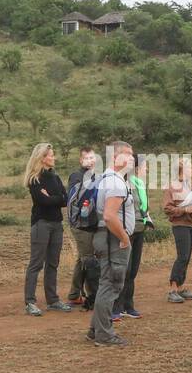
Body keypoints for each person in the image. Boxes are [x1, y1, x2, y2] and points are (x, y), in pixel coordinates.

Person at [88, 141, 135, 348]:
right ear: (115, 157)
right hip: (113, 239)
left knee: (106, 283)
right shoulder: (115, 182)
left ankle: (95, 330)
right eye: (127, 154)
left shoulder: (104, 178)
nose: (132, 158)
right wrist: (124, 237)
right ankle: (104, 335)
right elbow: (109, 215)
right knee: (111, 285)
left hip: (104, 238)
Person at [23, 142, 73, 315]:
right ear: (42, 158)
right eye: (51, 155)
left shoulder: (55, 177)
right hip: (41, 224)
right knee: (36, 263)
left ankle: (53, 300)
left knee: (53, 263)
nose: (54, 157)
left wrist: (52, 197)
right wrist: (56, 198)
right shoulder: (34, 179)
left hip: (56, 224)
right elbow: (43, 201)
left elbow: (65, 200)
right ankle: (30, 302)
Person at [117, 155, 155, 318]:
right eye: (145, 166)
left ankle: (128, 305)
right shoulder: (126, 183)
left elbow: (142, 207)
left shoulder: (140, 184)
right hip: (128, 231)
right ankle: (116, 307)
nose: (147, 169)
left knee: (132, 270)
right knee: (124, 270)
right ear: (137, 168)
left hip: (140, 229)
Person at [162, 155, 192, 303]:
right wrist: (185, 210)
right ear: (182, 169)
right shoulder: (172, 186)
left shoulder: (190, 186)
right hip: (180, 225)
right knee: (182, 256)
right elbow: (167, 208)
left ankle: (180, 287)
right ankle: (172, 289)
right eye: (189, 167)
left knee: (187, 256)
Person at [66, 146, 97, 306]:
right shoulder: (76, 176)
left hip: (92, 223)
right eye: (87, 158)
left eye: (92, 157)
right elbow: (75, 200)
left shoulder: (96, 176)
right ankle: (91, 295)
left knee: (83, 258)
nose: (90, 161)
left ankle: (74, 294)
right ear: (81, 160)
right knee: (88, 258)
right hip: (80, 224)